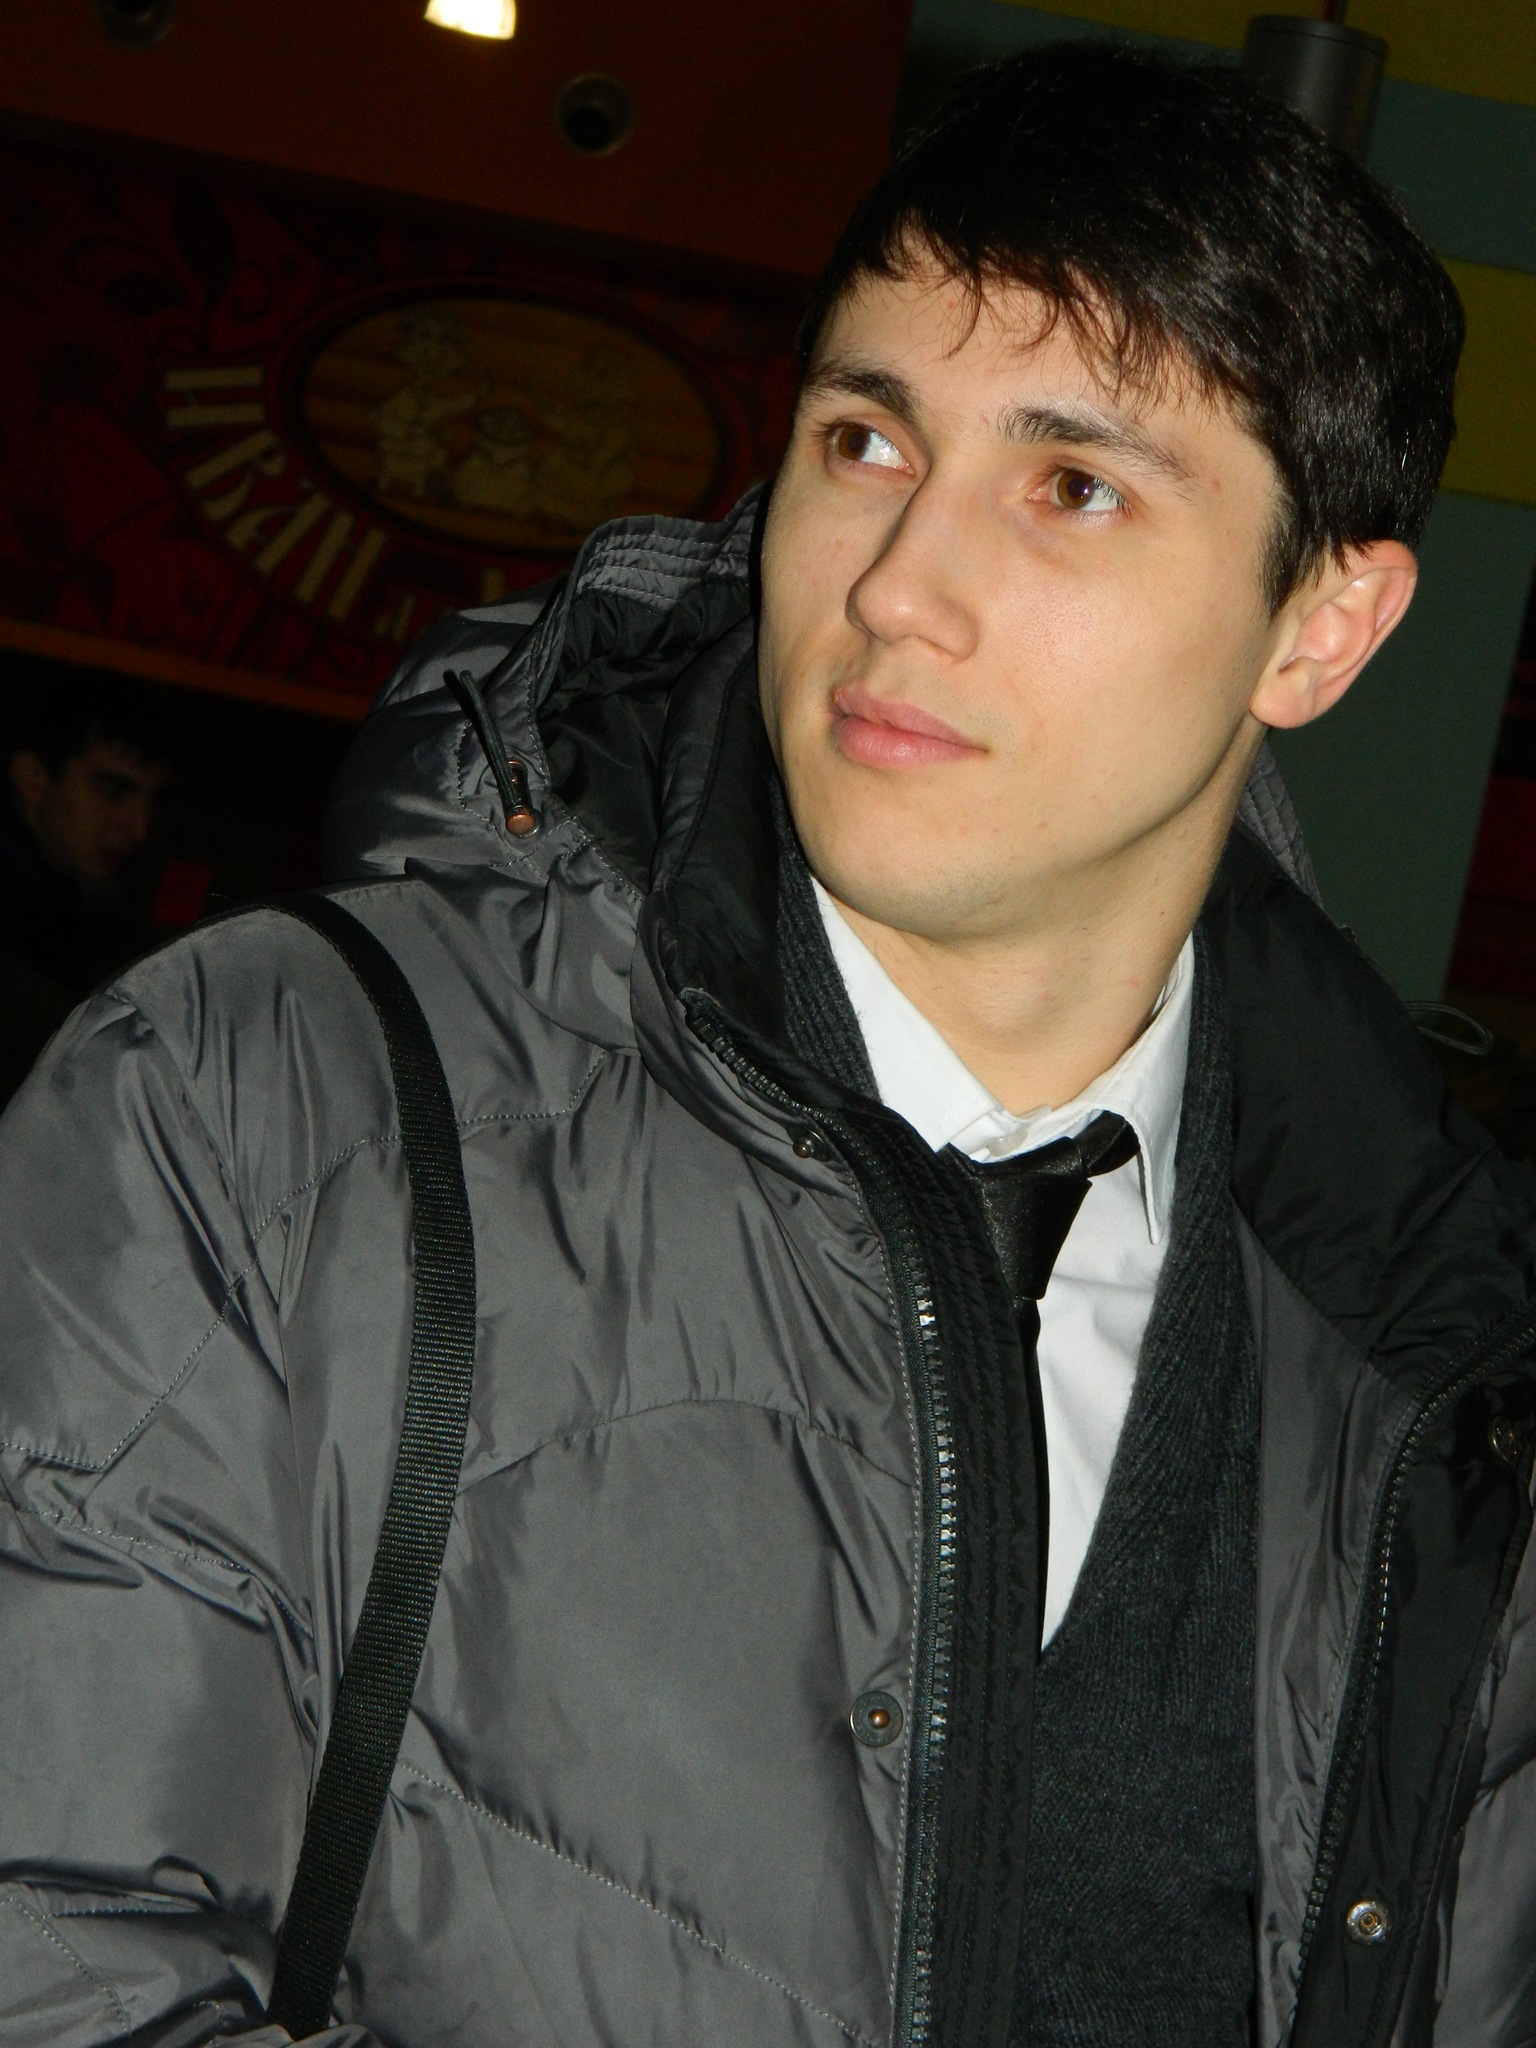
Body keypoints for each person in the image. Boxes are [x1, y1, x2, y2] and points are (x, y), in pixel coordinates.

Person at [0, 43, 1529, 2048]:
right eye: (866, 442)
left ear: (1322, 626)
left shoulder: (1442, 1380)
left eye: (1071, 486)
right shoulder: (254, 1102)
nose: (899, 589)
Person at [0, 665, 169, 1104]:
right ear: (33, 777)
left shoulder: (79, 902)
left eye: (152, 801)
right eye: (112, 790)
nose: (138, 827)